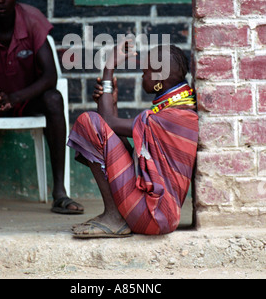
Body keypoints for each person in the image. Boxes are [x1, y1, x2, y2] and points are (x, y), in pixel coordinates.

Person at [0, 0, 84, 216]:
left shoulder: (32, 19)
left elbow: (51, 76)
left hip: (24, 99)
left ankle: (59, 193)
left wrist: (16, 97)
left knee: (54, 98)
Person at [67, 39, 199, 238]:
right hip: (157, 214)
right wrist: (112, 101)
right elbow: (113, 135)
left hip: (152, 216)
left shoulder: (169, 118)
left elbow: (105, 123)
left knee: (88, 121)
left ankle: (114, 218)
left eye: (146, 72)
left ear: (158, 81)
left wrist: (109, 69)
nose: (142, 76)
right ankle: (116, 217)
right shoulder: (179, 111)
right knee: (96, 125)